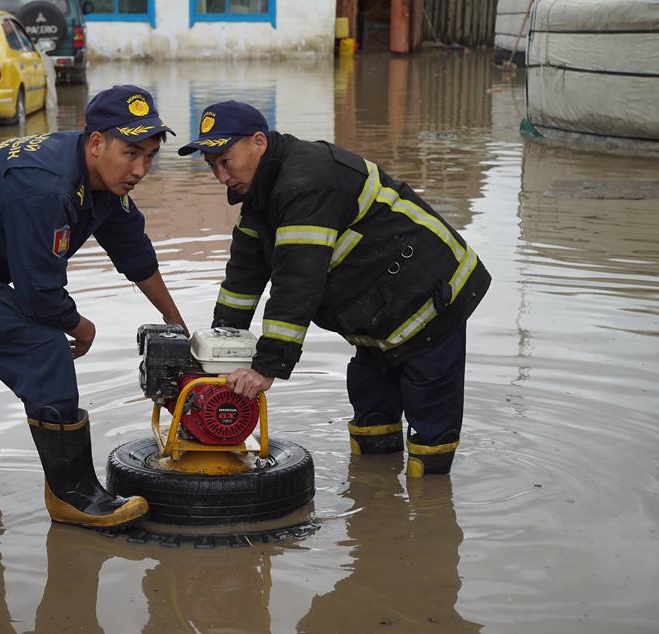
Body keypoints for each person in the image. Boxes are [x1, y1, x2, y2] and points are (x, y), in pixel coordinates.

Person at [0, 85, 187, 528]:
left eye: (149, 156)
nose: (140, 169)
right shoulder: (45, 186)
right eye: (131, 153)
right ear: (95, 142)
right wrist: (81, 326)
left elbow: (135, 253)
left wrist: (174, 321)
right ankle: (73, 497)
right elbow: (39, 294)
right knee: (43, 349)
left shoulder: (103, 182)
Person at [179, 101, 490, 476]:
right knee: (370, 420)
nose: (220, 176)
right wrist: (218, 355)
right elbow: (241, 282)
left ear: (258, 142)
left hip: (431, 302)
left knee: (429, 437)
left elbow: (298, 280)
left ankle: (428, 514)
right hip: (377, 318)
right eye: (211, 165)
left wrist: (265, 368)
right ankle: (375, 509)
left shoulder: (308, 182)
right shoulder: (259, 201)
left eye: (225, 160)